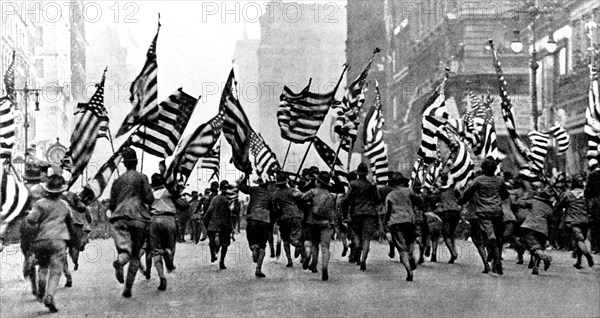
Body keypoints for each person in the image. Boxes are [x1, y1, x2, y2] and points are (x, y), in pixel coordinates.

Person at [26, 174, 77, 313]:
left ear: (47, 189)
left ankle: (41, 289)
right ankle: (49, 296)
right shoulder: (65, 205)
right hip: (59, 241)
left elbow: (31, 220)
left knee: (43, 266)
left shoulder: (40, 203)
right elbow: (71, 225)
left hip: (41, 240)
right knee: (55, 270)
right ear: (61, 191)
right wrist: (74, 242)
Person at [108, 148, 154, 298]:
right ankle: (128, 287)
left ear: (124, 164)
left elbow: (112, 205)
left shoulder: (117, 181)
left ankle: (120, 262)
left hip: (119, 218)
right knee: (135, 254)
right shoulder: (142, 177)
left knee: (124, 251)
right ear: (136, 162)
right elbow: (149, 198)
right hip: (138, 219)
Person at [459, 157, 509, 275]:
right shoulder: (500, 180)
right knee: (498, 237)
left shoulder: (478, 180)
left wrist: (460, 202)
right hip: (497, 211)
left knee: (491, 237)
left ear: (483, 168)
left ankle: (496, 260)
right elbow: (505, 195)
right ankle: (497, 261)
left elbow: (467, 193)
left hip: (483, 212)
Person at [148, 174, 188, 290]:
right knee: (170, 246)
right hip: (169, 220)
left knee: (156, 251)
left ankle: (162, 277)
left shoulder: (150, 195)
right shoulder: (169, 192)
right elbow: (184, 205)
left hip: (154, 220)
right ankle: (167, 253)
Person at [343, 163, 382, 271]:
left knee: (356, 234)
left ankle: (356, 246)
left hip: (356, 212)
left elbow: (347, 199)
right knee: (366, 237)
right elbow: (378, 199)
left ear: (358, 173)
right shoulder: (372, 186)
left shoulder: (352, 184)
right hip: (369, 213)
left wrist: (344, 213)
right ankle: (363, 260)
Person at [300, 171, 338, 281]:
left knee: (314, 244)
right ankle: (325, 268)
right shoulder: (331, 196)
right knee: (325, 247)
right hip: (326, 223)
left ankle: (314, 263)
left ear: (318, 182)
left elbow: (303, 198)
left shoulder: (313, 191)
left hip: (313, 222)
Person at [19, 164, 47, 297]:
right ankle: (42, 281)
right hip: (41, 221)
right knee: (44, 253)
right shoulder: (43, 189)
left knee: (26, 248)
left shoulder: (22, 189)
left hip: (26, 221)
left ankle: (34, 287)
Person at [385, 172, 418, 281]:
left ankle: (408, 270)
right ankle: (411, 256)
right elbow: (419, 202)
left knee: (401, 248)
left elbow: (387, 212)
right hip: (409, 221)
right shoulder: (409, 192)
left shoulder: (389, 196)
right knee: (410, 243)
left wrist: (386, 223)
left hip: (395, 222)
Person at [555, 178, 594, 269]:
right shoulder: (586, 195)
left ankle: (587, 255)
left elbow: (559, 206)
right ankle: (579, 262)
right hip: (585, 220)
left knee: (579, 240)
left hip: (573, 220)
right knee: (580, 240)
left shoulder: (568, 194)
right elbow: (591, 206)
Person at [238, 175, 272, 277]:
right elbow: (273, 209)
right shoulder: (269, 195)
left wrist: (245, 176)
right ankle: (258, 269)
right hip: (264, 221)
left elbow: (241, 187)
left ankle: (254, 248)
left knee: (252, 241)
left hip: (252, 219)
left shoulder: (254, 190)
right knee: (263, 246)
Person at [272, 173, 305, 267]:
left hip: (284, 217)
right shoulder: (293, 191)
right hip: (297, 215)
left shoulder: (276, 194)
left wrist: (277, 217)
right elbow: (302, 197)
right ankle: (299, 246)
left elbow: (275, 208)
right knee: (296, 237)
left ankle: (289, 261)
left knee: (286, 240)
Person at [520, 190, 554, 275]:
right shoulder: (549, 208)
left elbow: (520, 203)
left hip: (530, 225)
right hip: (543, 228)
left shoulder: (533, 201)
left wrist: (523, 198)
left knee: (533, 247)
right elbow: (552, 221)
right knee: (539, 246)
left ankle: (546, 257)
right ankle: (536, 267)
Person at [431, 174, 461, 263]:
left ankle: (453, 253)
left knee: (445, 234)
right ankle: (453, 252)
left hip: (446, 212)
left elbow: (432, 199)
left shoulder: (439, 191)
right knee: (451, 233)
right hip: (456, 212)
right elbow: (460, 197)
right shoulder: (453, 189)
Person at [204, 180, 233, 269]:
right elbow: (230, 214)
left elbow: (209, 211)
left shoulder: (214, 198)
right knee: (225, 244)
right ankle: (222, 262)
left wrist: (206, 222)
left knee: (213, 242)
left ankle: (214, 255)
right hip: (224, 225)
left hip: (214, 224)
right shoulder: (229, 200)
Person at [585, 169, 600, 254]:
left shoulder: (593, 175)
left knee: (595, 226)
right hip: (596, 202)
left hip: (596, 203)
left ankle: (595, 247)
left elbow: (587, 192)